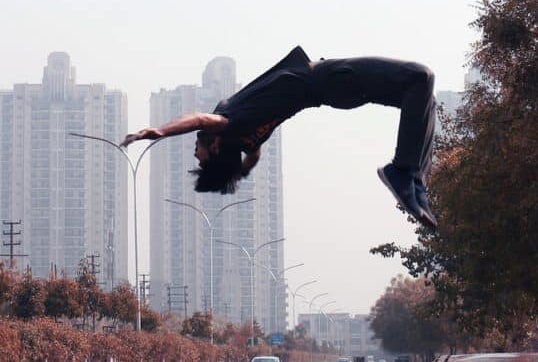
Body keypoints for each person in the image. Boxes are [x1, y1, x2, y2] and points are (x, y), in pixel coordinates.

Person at [121, 46, 437, 228]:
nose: (195, 146)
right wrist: (160, 131)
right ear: (216, 143)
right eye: (199, 150)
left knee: (423, 97)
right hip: (331, 79)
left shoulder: (249, 141)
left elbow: (253, 156)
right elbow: (199, 120)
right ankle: (401, 170)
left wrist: (239, 171)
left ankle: (415, 178)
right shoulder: (230, 124)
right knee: (421, 78)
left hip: (335, 93)